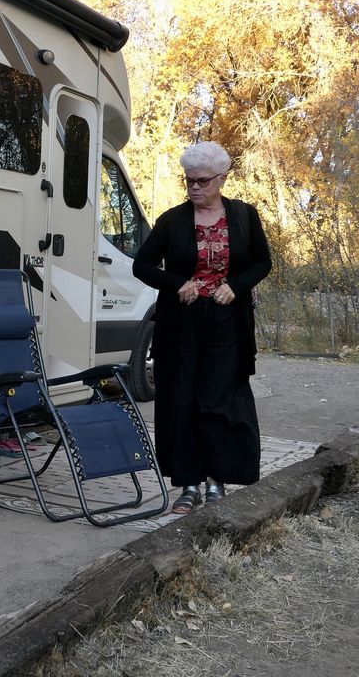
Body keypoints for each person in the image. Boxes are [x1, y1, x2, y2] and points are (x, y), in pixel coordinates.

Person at [132, 141, 271, 514]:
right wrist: (177, 283)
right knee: (183, 399)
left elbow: (262, 262)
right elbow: (142, 266)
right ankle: (188, 485)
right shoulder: (172, 220)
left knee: (218, 400)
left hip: (227, 322)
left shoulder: (244, 216)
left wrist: (235, 287)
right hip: (182, 324)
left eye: (202, 181)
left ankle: (216, 480)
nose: (194, 187)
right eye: (189, 180)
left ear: (222, 180)